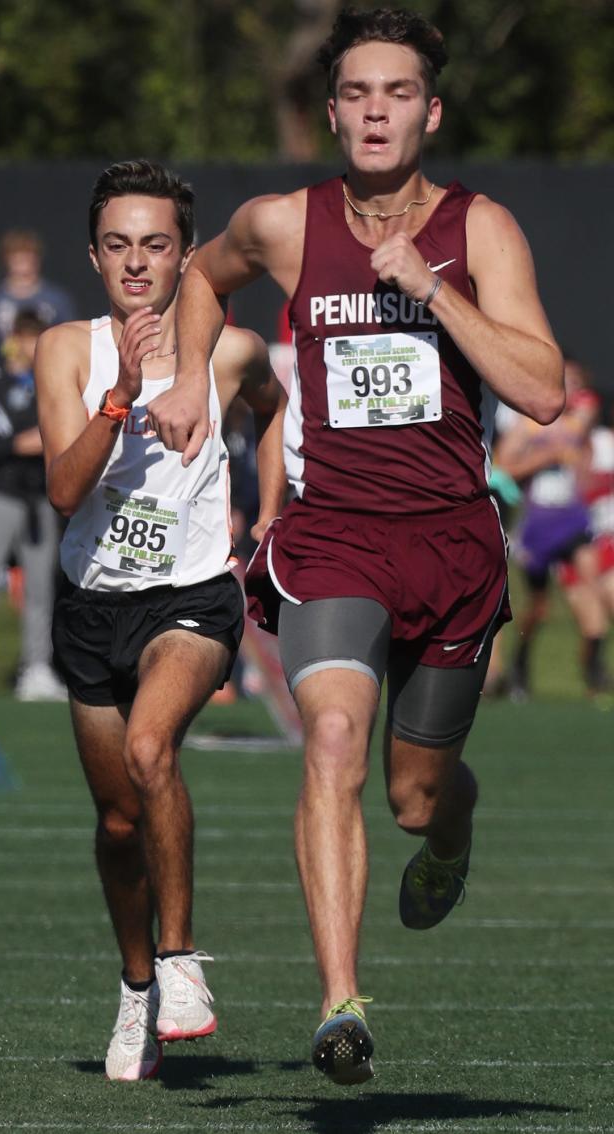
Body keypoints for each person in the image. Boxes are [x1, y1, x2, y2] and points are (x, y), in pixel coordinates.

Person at [146, 8, 564, 1085]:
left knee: (415, 795)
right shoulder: (285, 224)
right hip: (333, 537)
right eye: (357, 94)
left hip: (453, 549)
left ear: (431, 109)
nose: (376, 111)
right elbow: (198, 276)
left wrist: (431, 291)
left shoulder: (481, 230)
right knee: (331, 739)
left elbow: (542, 390)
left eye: (397, 93)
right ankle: (341, 1002)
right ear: (330, 112)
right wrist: (196, 373)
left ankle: (451, 831)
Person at [34, 159, 286, 1081]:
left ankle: (181, 963)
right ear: (94, 256)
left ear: (187, 254)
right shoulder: (67, 348)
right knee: (115, 824)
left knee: (152, 751)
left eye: (156, 244)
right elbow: (65, 489)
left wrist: (268, 512)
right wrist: (122, 395)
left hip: (190, 598)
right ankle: (136, 986)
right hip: (93, 604)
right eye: (118, 245)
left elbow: (272, 405)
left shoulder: (230, 349)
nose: (137, 262)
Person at [494, 357, 603, 699]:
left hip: (572, 521)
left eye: (576, 382)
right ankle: (519, 668)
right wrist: (546, 456)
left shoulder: (579, 424)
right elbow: (502, 468)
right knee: (538, 608)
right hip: (537, 527)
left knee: (593, 580)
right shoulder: (527, 426)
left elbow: (582, 452)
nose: (572, 389)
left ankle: (594, 673)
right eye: (565, 381)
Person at [0, 310, 67, 702]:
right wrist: (23, 442)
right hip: (0, 495)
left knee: (40, 587)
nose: (32, 347)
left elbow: (62, 433)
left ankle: (36, 668)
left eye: (37, 338)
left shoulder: (52, 384)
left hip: (40, 498)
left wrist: (39, 439)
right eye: (26, 338)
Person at [0, 229, 76, 372]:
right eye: (16, 258)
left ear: (37, 259)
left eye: (27, 257)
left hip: (47, 371)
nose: (22, 264)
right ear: (6, 260)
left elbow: (68, 341)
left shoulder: (56, 300)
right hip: (4, 375)